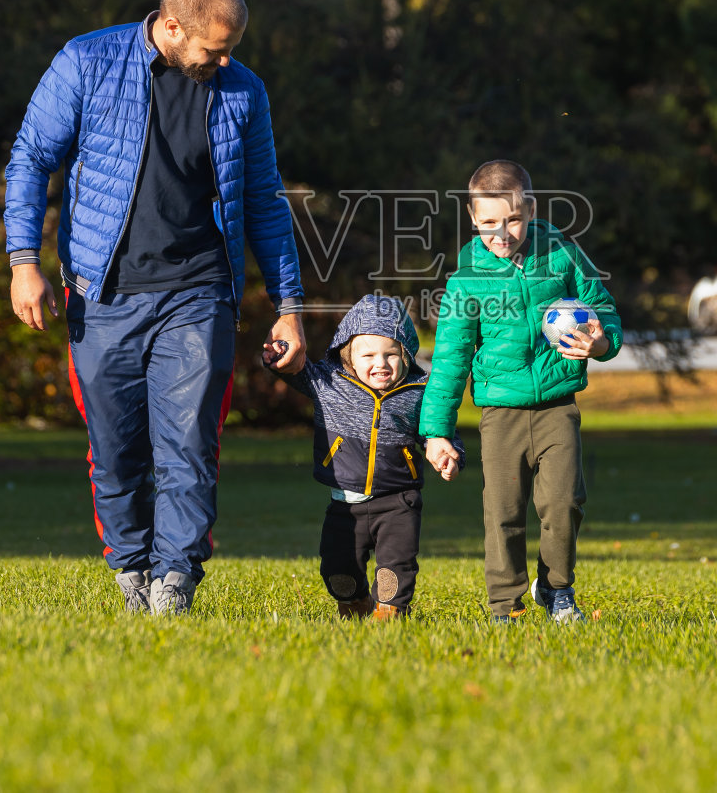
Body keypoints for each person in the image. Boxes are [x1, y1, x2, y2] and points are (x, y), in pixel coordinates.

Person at [3, 0, 306, 616]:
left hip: (198, 295)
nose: (226, 60)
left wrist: (290, 307)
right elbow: (31, 157)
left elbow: (265, 203)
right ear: (172, 27)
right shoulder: (87, 63)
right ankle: (131, 567)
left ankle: (175, 580)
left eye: (232, 49)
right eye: (214, 49)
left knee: (189, 446)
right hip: (103, 295)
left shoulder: (242, 92)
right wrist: (23, 260)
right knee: (114, 452)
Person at [418, 160, 623, 623]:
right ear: (473, 219)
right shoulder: (467, 280)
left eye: (512, 219)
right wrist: (436, 432)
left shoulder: (563, 255)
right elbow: (450, 362)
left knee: (565, 501)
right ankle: (504, 605)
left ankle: (556, 590)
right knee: (503, 512)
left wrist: (602, 341)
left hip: (557, 405)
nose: (502, 232)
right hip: (500, 412)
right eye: (489, 223)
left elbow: (603, 308)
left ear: (529, 209)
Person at [264, 294, 463, 620]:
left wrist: (447, 453)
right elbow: (295, 370)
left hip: (399, 499)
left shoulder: (418, 392)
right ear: (348, 356)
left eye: (391, 355)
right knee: (337, 569)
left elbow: (438, 430)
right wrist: (278, 356)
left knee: (396, 566)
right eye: (368, 354)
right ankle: (354, 602)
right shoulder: (329, 382)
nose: (380, 364)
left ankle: (390, 610)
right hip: (345, 501)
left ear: (407, 355)